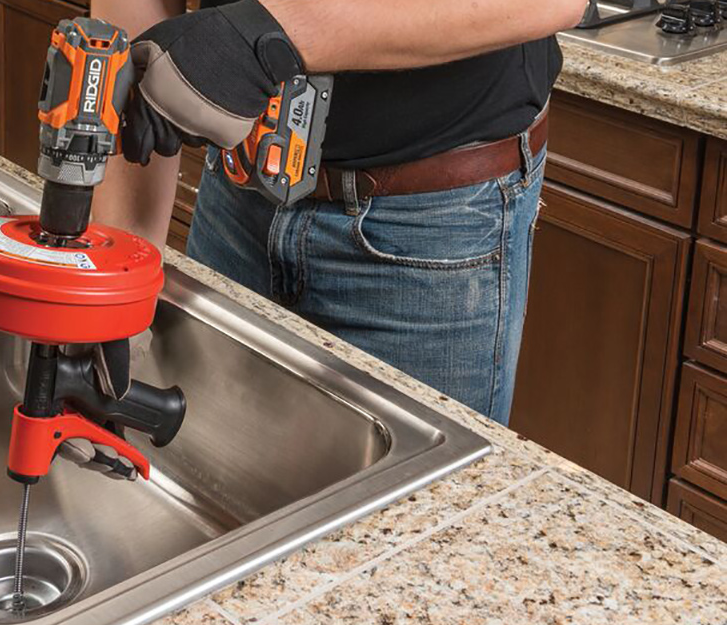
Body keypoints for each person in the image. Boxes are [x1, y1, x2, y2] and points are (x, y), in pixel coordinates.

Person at [88, 0, 588, 427]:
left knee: (416, 524)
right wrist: (114, 286)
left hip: (429, 228)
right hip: (238, 190)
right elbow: (135, 24)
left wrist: (270, 37)